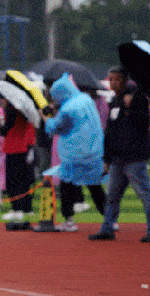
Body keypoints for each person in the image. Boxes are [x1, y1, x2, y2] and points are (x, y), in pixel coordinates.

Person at [89, 67, 150, 242]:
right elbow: (110, 132)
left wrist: (131, 108)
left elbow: (144, 125)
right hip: (118, 158)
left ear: (125, 80)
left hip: (134, 157)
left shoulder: (138, 98)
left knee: (144, 194)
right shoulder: (115, 100)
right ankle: (107, 228)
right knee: (112, 196)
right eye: (111, 79)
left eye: (116, 79)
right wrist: (106, 158)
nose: (112, 82)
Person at [42, 73, 105, 232]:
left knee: (66, 186)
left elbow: (53, 128)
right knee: (95, 186)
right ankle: (109, 219)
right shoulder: (86, 99)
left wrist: (45, 117)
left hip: (74, 153)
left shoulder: (67, 108)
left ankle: (69, 220)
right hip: (94, 151)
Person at [0, 95, 36, 223]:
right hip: (22, 146)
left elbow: (5, 130)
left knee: (12, 180)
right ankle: (26, 207)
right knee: (22, 179)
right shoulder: (24, 110)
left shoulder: (12, 110)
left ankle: (16, 209)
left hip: (12, 147)